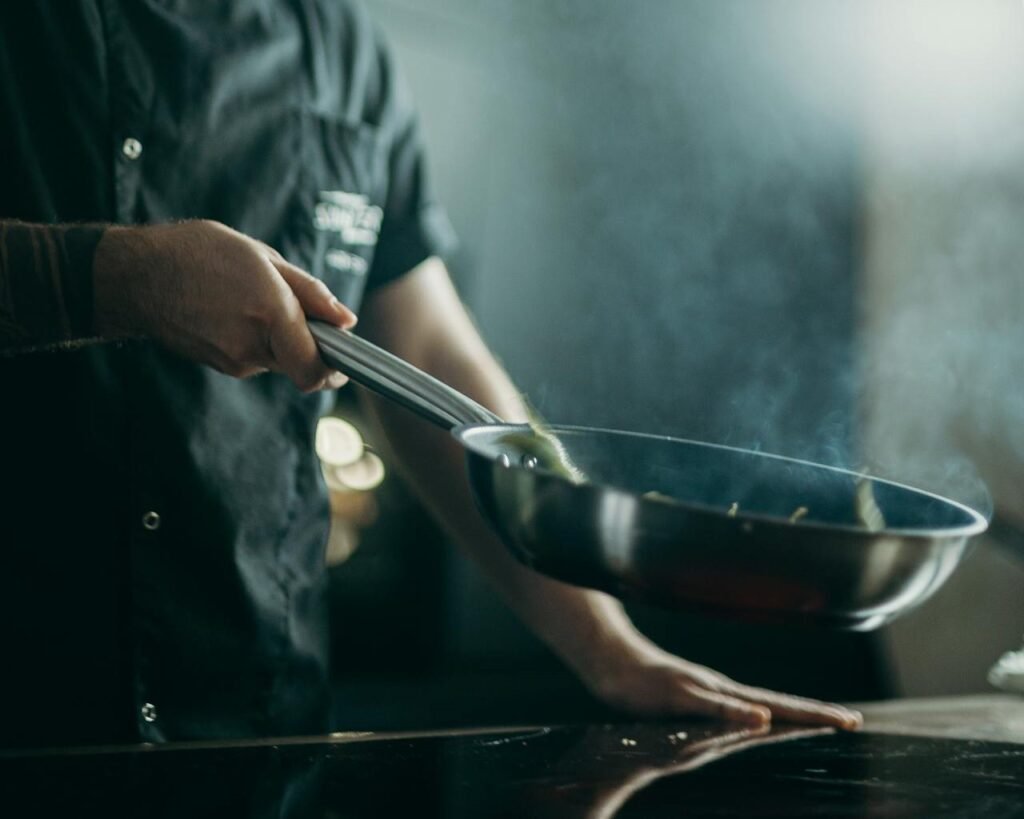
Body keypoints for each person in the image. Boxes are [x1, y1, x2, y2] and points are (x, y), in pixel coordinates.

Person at [0, 1, 861, 749]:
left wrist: (608, 646)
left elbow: (428, 351)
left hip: (253, 719)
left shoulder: (342, 49)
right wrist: (117, 277)